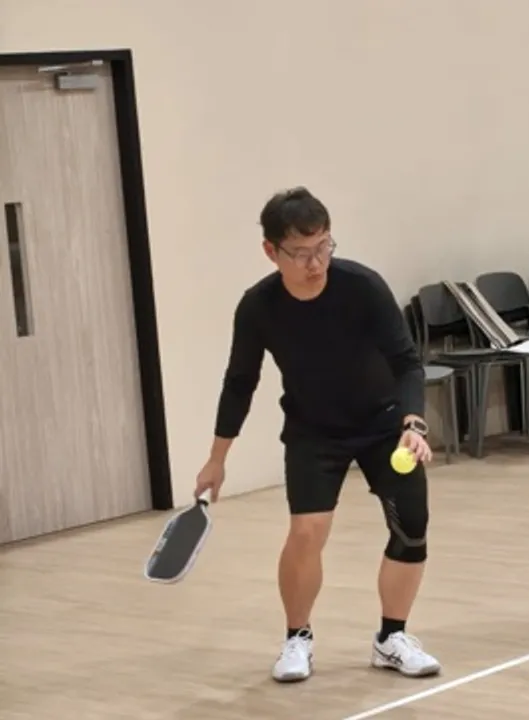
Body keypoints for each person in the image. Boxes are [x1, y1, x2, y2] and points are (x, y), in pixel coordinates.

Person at [194, 187, 441, 683]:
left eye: (324, 246)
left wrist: (412, 423)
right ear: (271, 251)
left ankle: (392, 638)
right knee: (307, 532)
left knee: (411, 529)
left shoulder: (362, 286)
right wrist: (217, 458)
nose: (316, 262)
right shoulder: (258, 307)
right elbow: (239, 382)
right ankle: (297, 639)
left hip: (383, 425)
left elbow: (406, 362)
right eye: (302, 253)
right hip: (313, 430)